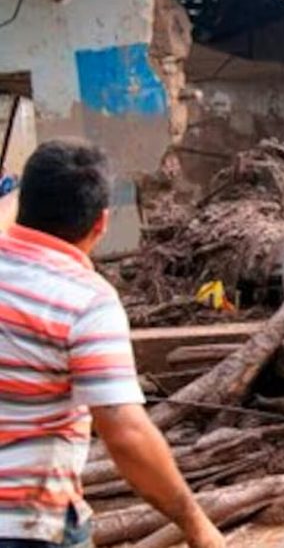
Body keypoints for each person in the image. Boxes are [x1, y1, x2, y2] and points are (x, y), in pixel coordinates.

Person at [0, 140, 223, 547]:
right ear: (100, 224)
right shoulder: (86, 301)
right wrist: (196, 523)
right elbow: (125, 435)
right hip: (27, 523)